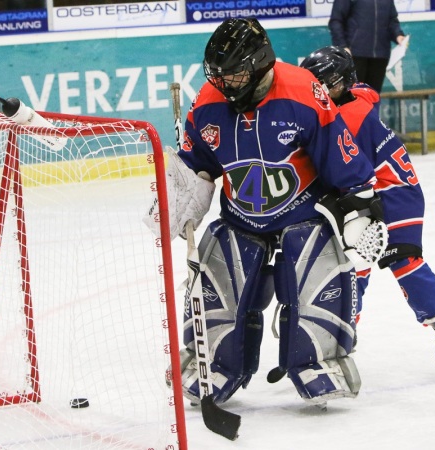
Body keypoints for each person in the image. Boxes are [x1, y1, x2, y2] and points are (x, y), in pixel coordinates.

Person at [145, 18, 388, 408]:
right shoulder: (208, 103)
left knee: (314, 270)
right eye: (219, 76)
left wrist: (359, 205)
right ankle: (213, 363)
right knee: (221, 268)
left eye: (236, 75)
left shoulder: (303, 92)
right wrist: (185, 191)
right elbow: (198, 162)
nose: (225, 85)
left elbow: (337, 152)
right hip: (241, 215)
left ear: (261, 64)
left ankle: (319, 362)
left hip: (302, 213)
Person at [300, 46, 435, 368]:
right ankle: (340, 333)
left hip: (394, 192)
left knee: (400, 260)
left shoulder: (349, 117)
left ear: (343, 83)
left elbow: (338, 172)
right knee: (352, 263)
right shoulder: (356, 97)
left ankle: (341, 334)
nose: (321, 91)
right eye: (316, 85)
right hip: (373, 189)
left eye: (327, 84)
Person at [328, 0, 406, 93]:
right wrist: (342, 46)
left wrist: (398, 35)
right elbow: (336, 20)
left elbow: (392, 20)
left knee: (373, 97)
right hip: (354, 55)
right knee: (354, 97)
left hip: (381, 55)